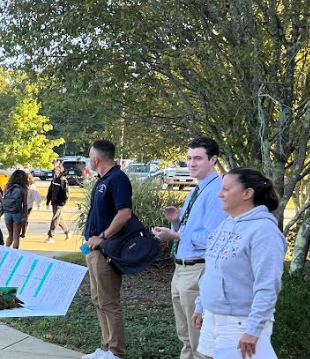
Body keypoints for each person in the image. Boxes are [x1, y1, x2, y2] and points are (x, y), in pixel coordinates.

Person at [191, 168, 285, 359]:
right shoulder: (226, 223)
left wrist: (254, 329)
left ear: (247, 193)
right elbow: (213, 271)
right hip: (212, 317)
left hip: (241, 323)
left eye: (225, 189)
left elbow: (267, 285)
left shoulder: (264, 231)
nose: (220, 194)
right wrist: (202, 305)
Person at [151, 138, 227, 359]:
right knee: (185, 337)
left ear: (213, 159)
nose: (191, 163)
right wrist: (176, 221)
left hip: (198, 271)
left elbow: (213, 238)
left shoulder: (217, 192)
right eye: (189, 158)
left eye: (198, 158)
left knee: (199, 341)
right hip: (181, 270)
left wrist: (175, 234)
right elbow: (192, 231)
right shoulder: (198, 189)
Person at [82, 140, 133, 359]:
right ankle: (105, 347)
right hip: (93, 251)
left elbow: (125, 214)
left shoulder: (118, 179)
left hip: (107, 251)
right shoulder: (101, 180)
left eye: (90, 155)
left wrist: (102, 237)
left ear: (96, 158)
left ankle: (116, 352)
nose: (89, 159)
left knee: (109, 301)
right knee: (98, 299)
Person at [2, 170, 29, 250]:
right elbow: (25, 205)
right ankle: (14, 254)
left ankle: (6, 251)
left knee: (10, 234)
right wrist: (25, 217)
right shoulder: (23, 188)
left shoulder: (7, 186)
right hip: (17, 213)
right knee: (16, 236)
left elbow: (4, 199)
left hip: (7, 213)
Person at [45, 165, 72, 243]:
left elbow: (66, 193)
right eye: (55, 170)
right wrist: (47, 201)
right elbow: (50, 191)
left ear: (61, 171)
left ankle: (51, 236)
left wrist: (63, 202)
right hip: (54, 202)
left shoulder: (63, 180)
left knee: (55, 219)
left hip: (59, 203)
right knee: (58, 219)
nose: (56, 171)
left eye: (58, 170)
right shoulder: (54, 180)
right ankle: (67, 232)